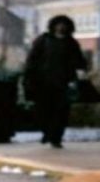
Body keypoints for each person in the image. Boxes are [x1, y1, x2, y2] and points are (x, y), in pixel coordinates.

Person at [22, 15, 88, 148]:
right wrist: (29, 76)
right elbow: (32, 59)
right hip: (43, 83)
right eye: (59, 24)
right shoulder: (43, 40)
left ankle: (56, 138)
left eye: (64, 25)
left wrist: (79, 71)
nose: (61, 27)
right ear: (53, 26)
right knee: (43, 110)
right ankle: (47, 132)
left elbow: (80, 61)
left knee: (61, 112)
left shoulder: (71, 43)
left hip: (64, 83)